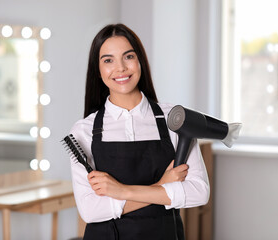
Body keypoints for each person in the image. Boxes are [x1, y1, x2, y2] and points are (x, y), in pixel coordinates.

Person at [68, 23, 209, 240]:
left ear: (140, 61)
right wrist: (161, 186)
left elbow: (199, 192)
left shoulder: (175, 119)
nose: (121, 68)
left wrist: (122, 191)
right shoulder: (84, 131)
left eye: (128, 56)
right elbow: (91, 210)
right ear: (98, 70)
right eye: (108, 60)